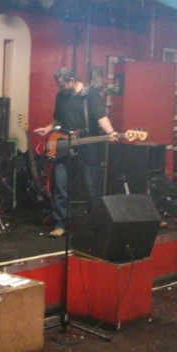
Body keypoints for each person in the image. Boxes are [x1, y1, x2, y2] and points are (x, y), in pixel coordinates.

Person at [34, 67, 118, 238]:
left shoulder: (91, 94)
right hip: (64, 142)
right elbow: (57, 119)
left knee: (92, 186)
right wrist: (47, 129)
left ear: (72, 79)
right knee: (60, 184)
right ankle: (60, 224)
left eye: (63, 85)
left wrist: (110, 132)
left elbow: (101, 117)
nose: (60, 88)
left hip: (87, 142)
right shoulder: (61, 96)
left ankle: (95, 225)